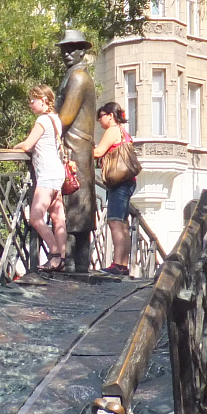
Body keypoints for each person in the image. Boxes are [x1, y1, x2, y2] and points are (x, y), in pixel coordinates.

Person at [55, 30, 98, 271]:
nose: (67, 54)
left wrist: (43, 132)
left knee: (76, 209)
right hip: (77, 149)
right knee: (77, 209)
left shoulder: (79, 78)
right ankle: (76, 267)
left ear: (82, 51)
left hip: (75, 150)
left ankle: (74, 268)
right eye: (65, 49)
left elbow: (65, 117)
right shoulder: (74, 75)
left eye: (72, 49)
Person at [15, 84, 68, 272]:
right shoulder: (55, 119)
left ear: (43, 100)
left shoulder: (42, 120)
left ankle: (54, 254)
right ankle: (62, 259)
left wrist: (15, 147)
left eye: (33, 101)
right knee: (57, 218)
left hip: (47, 174)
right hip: (58, 173)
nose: (30, 105)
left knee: (35, 217)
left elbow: (27, 145)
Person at [95, 101, 138, 276]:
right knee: (122, 223)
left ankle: (118, 265)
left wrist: (82, 150)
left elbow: (98, 152)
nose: (99, 120)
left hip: (119, 182)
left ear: (110, 116)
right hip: (127, 181)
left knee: (115, 222)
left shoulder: (113, 130)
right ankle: (123, 265)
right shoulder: (123, 132)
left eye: (101, 116)